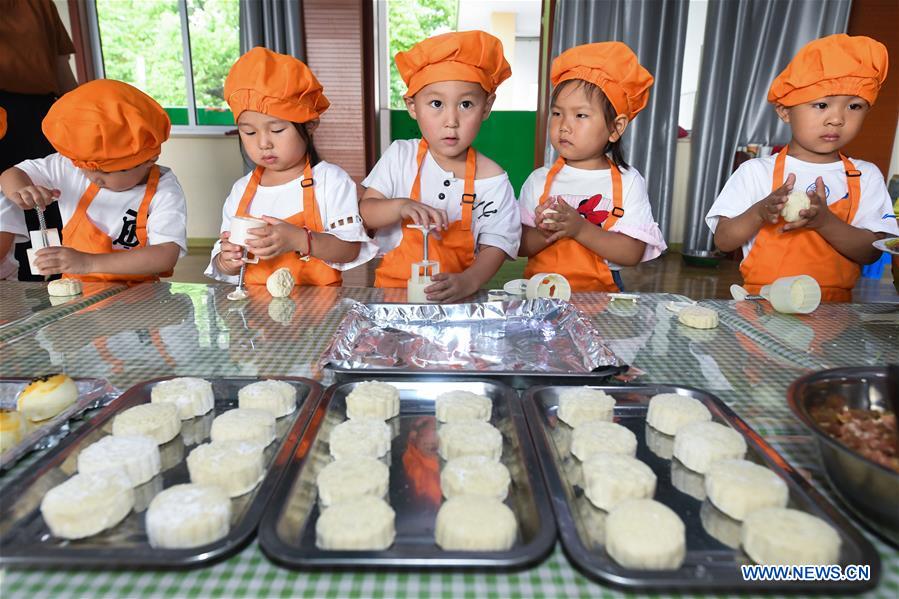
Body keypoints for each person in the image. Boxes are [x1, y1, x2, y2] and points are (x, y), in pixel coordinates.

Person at [707, 34, 898, 302]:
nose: (837, 119)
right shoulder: (756, 172)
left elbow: (871, 253)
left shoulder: (865, 176)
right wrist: (759, 212)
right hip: (761, 306)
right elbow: (723, 241)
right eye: (821, 105)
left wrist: (825, 222)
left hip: (834, 314)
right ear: (785, 111)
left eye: (854, 106)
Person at [360, 30, 521, 303]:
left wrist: (469, 281)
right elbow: (366, 213)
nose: (451, 121)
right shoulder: (400, 156)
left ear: (486, 107)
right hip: (392, 298)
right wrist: (400, 206)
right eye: (436, 103)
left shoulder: (492, 179)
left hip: (459, 299)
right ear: (412, 106)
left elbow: (497, 243)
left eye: (466, 104)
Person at [206, 47, 375, 286]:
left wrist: (300, 239)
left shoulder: (330, 181)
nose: (263, 143)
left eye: (277, 130)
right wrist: (227, 261)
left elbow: (349, 250)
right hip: (254, 308)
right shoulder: (241, 190)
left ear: (309, 125)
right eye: (249, 132)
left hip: (319, 307)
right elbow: (224, 256)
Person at [0, 79, 187, 282]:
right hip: (76, 290)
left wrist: (87, 263)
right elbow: (12, 173)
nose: (95, 178)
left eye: (106, 172)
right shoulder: (72, 168)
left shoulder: (164, 190)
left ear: (149, 159)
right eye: (86, 168)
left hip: (140, 294)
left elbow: (165, 255)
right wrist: (23, 190)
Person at [518, 42, 666, 291]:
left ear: (615, 128)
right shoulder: (538, 180)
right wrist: (545, 232)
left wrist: (579, 229)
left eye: (581, 115)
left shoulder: (628, 182)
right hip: (541, 294)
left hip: (601, 298)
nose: (564, 126)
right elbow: (519, 246)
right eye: (557, 113)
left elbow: (631, 253)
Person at [1, 0, 79, 280]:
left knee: (47, 200)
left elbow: (60, 64)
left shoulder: (39, 3)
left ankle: (54, 281)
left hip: (40, 113)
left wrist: (79, 114)